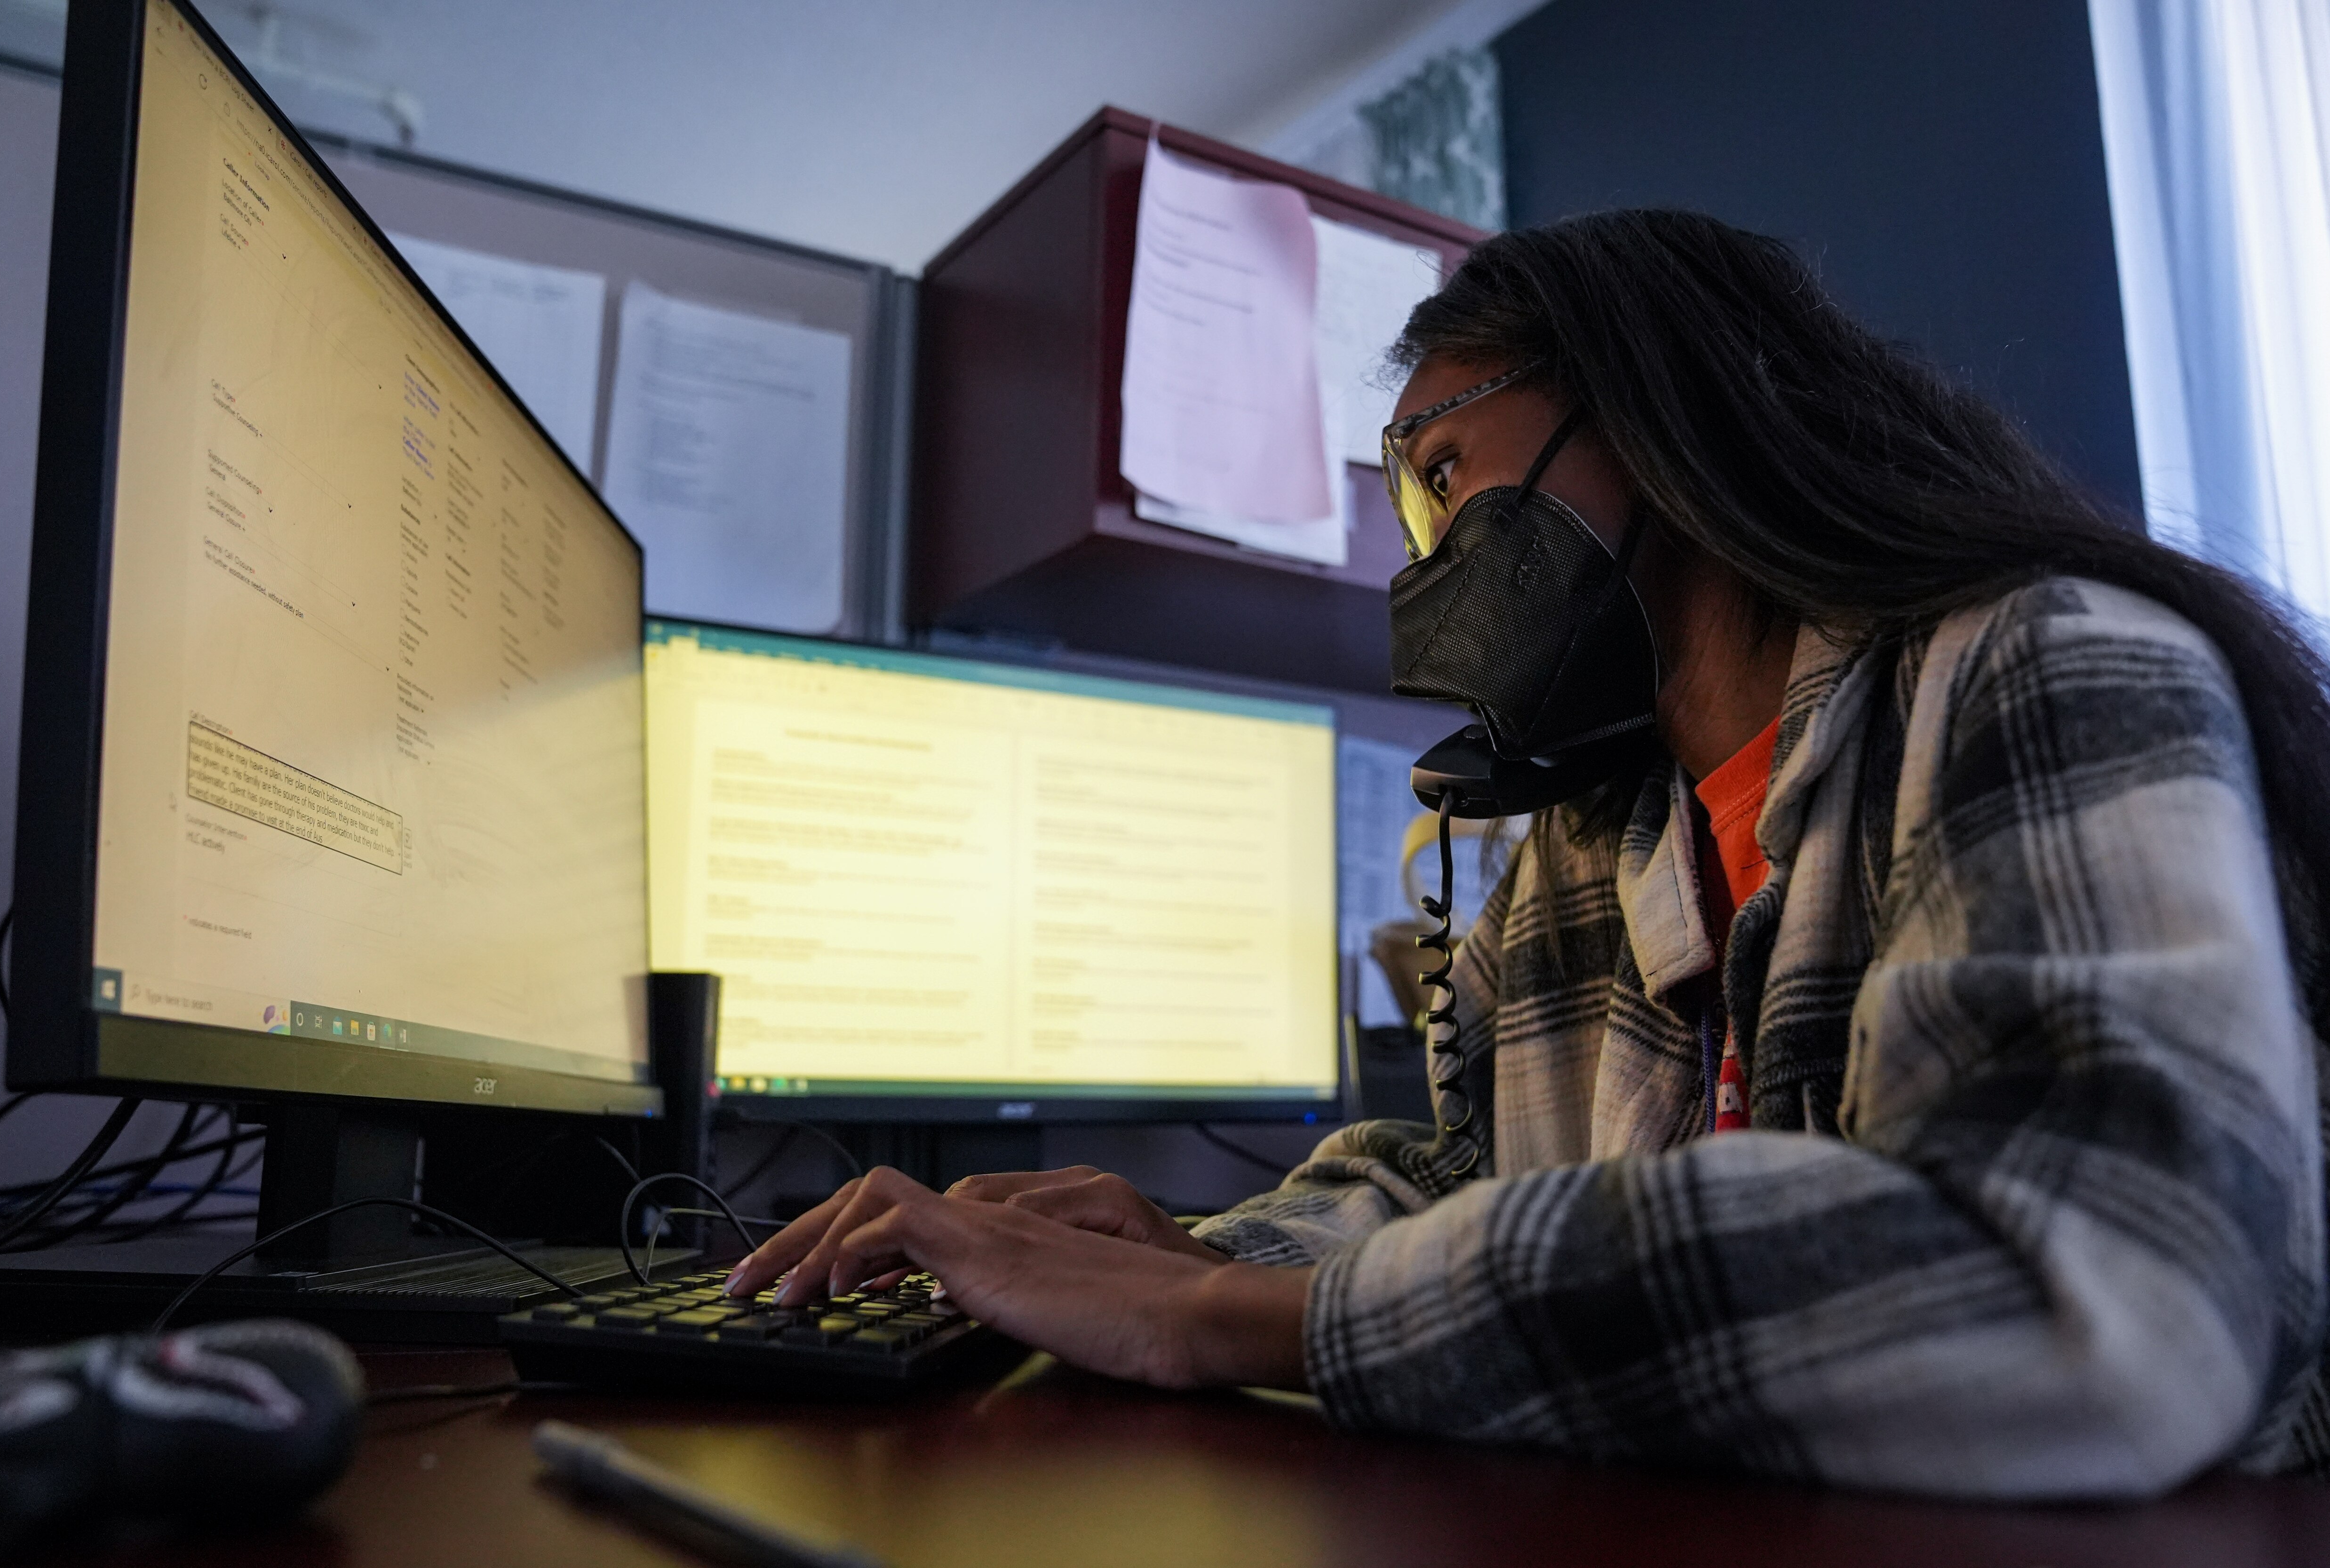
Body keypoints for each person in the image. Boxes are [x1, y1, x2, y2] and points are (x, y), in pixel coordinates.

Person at [726, 209, 2330, 1501]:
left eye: (1440, 481)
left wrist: (1219, 1317)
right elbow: (1463, 1183)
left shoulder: (2044, 669)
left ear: (1649, 404)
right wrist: (1190, 1248)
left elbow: (2103, 1298)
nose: (1423, 571)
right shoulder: (1592, 841)